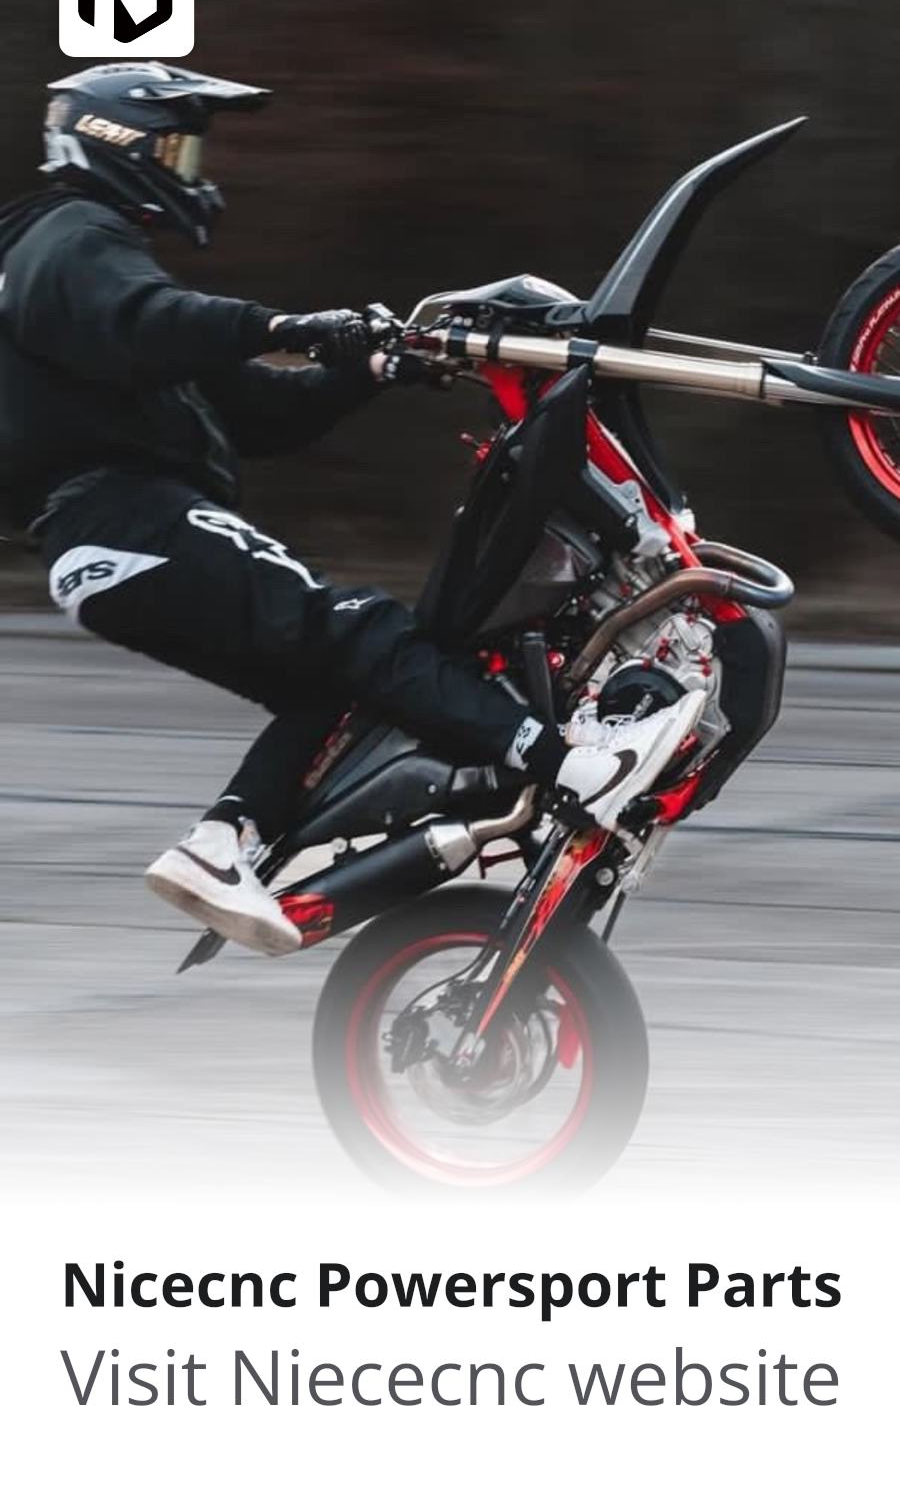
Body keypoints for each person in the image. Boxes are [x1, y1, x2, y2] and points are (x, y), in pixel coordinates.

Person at [0, 61, 700, 955]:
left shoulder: (84, 295)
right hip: (127, 517)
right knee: (361, 629)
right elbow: (150, 315)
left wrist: (370, 367)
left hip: (111, 537)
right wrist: (288, 326)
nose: (191, 170)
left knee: (336, 686)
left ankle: (220, 845)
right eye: (175, 149)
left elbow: (259, 411)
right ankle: (565, 762)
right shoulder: (69, 238)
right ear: (117, 144)